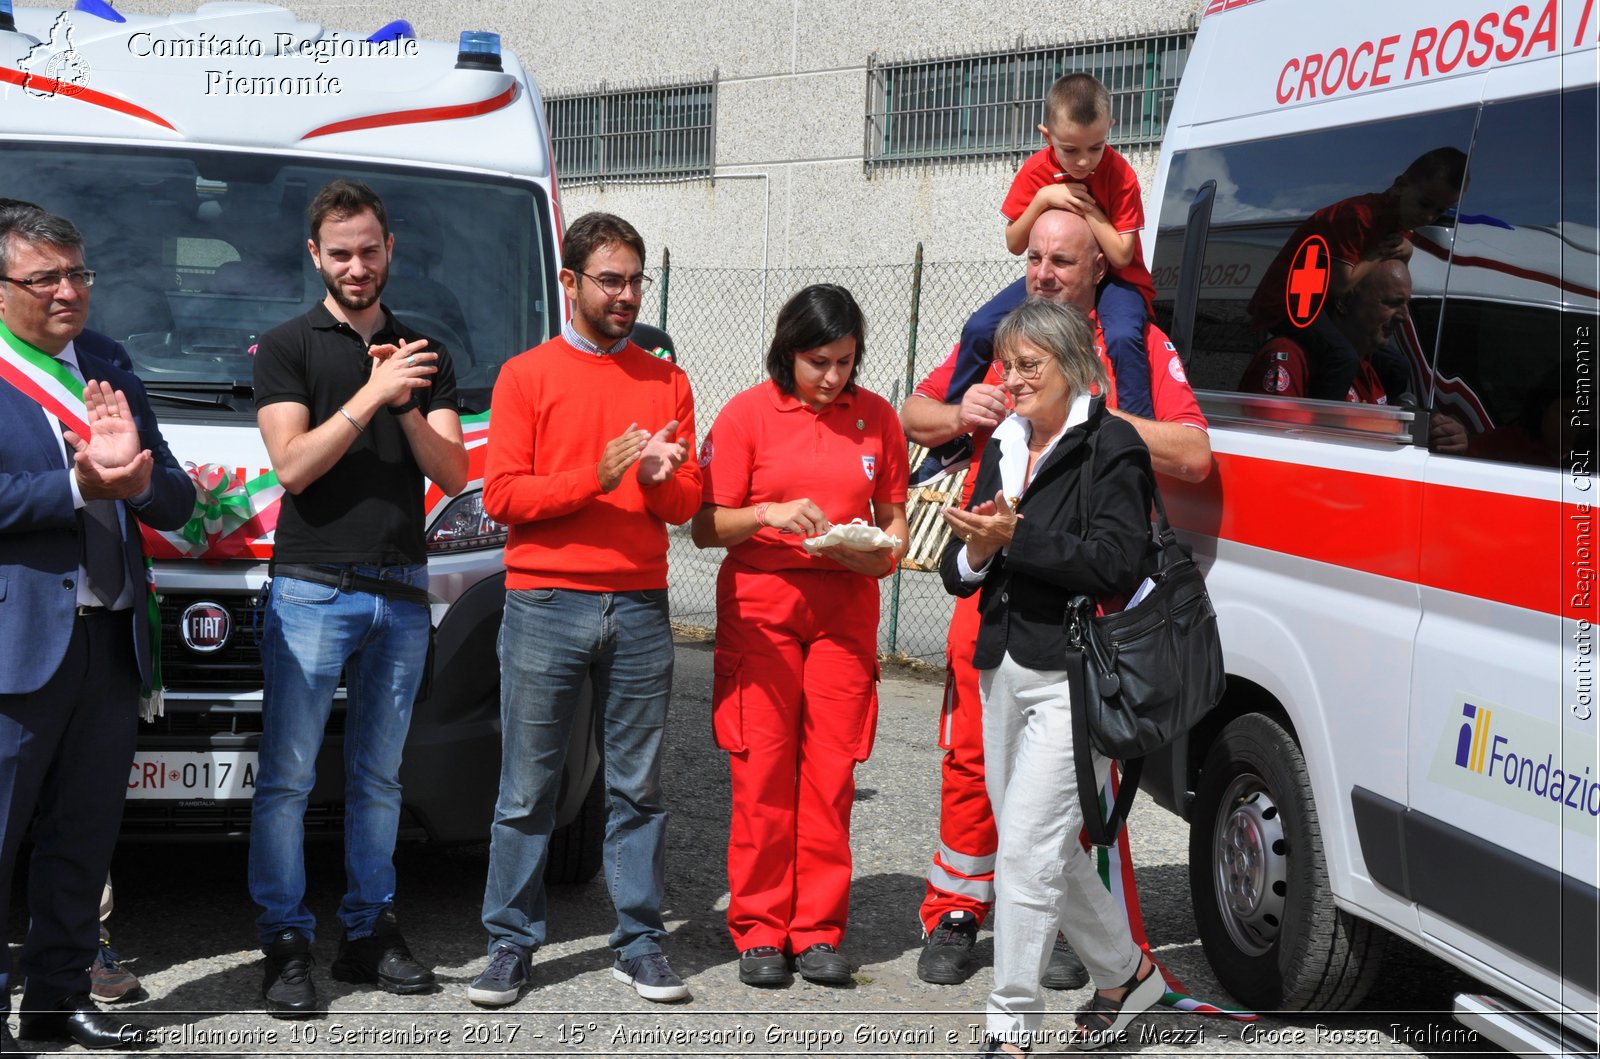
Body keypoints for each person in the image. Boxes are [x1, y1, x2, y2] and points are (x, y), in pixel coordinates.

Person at [904, 209, 1210, 989]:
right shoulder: (1001, 339)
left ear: (1098, 270)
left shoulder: (1131, 348)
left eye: (1063, 261)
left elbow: (1196, 453)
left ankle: (1067, 956)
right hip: (991, 592)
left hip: (1080, 609)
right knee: (969, 760)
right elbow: (914, 414)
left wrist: (1085, 413)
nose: (1044, 272)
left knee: (1076, 785)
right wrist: (962, 412)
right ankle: (958, 909)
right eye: (1035, 258)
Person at [248, 179, 468, 1017]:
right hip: (310, 589)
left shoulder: (425, 350)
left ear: (390, 249)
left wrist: (406, 403)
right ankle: (285, 941)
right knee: (290, 778)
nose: (357, 265)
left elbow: (453, 474)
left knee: (379, 777)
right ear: (316, 256)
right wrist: (370, 395)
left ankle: (369, 931)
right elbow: (294, 465)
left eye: (370, 249)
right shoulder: (287, 345)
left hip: (401, 594)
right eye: (340, 252)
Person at [472, 211, 699, 1007]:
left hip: (639, 603)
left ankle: (639, 942)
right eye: (611, 279)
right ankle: (509, 942)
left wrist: (659, 477)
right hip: (544, 601)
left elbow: (684, 504)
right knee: (527, 787)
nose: (628, 294)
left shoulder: (667, 380)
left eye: (636, 279)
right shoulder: (525, 376)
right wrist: (595, 477)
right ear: (569, 283)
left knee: (638, 785)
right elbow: (501, 496)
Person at [940, 298, 1165, 1056]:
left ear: (1073, 366)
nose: (1013, 378)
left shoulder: (1114, 446)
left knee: (1026, 856)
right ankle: (1127, 975)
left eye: (1029, 365)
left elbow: (1113, 560)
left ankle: (1009, 1031)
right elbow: (957, 566)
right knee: (1039, 847)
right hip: (1001, 665)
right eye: (1008, 364)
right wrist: (977, 550)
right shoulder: (1000, 441)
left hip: (1075, 672)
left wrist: (1018, 537)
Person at [0, 205, 191, 1055]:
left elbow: (176, 496)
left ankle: (56, 998)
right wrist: (80, 489)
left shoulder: (109, 364)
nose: (69, 291)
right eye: (45, 278)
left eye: (78, 273)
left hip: (110, 642)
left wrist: (138, 481)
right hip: (17, 644)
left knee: (83, 835)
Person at [691, 285, 909, 987]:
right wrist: (770, 514)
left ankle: (816, 928)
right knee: (762, 769)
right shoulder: (746, 414)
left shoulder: (877, 419)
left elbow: (896, 523)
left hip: (846, 606)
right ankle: (759, 928)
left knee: (830, 773)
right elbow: (705, 526)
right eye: (819, 361)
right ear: (788, 352)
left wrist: (880, 548)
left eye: (846, 361)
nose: (833, 376)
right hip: (763, 606)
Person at [913, 73, 1157, 485]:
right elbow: (1013, 242)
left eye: (1095, 147)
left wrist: (1089, 210)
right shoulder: (1036, 170)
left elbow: (1120, 254)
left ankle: (1137, 436)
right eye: (1070, 149)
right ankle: (952, 442)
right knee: (979, 327)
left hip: (1118, 281)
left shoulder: (1121, 175)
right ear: (1046, 135)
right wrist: (1044, 198)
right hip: (1067, 275)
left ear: (1110, 131)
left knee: (1122, 335)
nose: (1083, 162)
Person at [1246, 147, 1467, 401]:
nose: (1427, 216)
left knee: (1397, 366)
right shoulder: (1358, 215)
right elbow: (1342, 285)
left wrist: (1406, 251)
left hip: (1321, 306)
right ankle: (1325, 428)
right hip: (1292, 303)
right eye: (1425, 203)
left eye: (1439, 211)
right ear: (1400, 185)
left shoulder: (1398, 220)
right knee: (1341, 357)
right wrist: (1379, 254)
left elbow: (1392, 272)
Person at [1240, 260, 1468, 454]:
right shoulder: (1290, 358)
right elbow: (1272, 455)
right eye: (1392, 303)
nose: (1405, 316)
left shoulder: (1372, 369)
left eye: (1406, 304)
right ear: (1344, 301)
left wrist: (1439, 435)